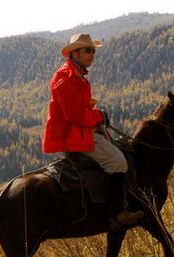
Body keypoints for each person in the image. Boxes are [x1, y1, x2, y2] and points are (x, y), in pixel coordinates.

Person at [42, 33, 143, 229]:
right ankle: (117, 214)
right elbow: (74, 116)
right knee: (119, 162)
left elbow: (81, 110)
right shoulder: (66, 79)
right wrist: (98, 117)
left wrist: (96, 115)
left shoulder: (77, 76)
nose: (92, 54)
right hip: (74, 136)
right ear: (74, 53)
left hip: (81, 131)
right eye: (87, 50)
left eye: (93, 51)